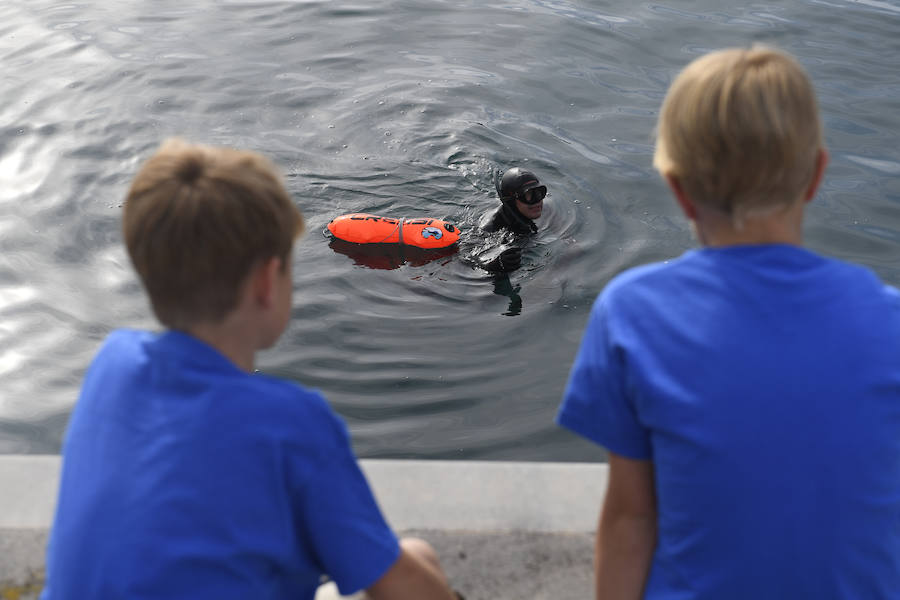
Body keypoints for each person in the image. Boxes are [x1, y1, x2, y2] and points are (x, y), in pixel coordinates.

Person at [40, 140, 460, 600]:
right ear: (266, 282)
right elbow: (400, 586)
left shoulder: (111, 363)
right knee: (417, 556)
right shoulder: (293, 421)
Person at [557, 46, 900, 599]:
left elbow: (630, 520)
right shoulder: (891, 320)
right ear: (816, 175)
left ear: (677, 189)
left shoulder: (632, 314)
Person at [477, 166, 547, 272]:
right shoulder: (490, 227)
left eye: (540, 193)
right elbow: (469, 257)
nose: (537, 201)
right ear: (511, 201)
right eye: (529, 195)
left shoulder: (542, 210)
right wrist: (493, 266)